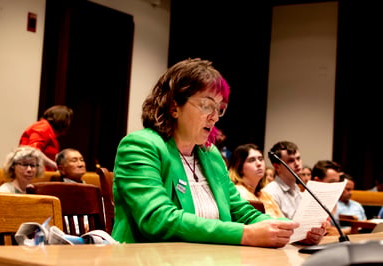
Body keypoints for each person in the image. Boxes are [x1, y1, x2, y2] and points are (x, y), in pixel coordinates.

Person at [111, 58, 311, 248]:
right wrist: (245, 234)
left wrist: (289, 229)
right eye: (207, 105)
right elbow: (158, 219)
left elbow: (240, 211)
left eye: (219, 108)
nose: (215, 117)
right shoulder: (141, 146)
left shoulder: (210, 154)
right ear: (174, 106)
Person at [228, 143, 285, 218]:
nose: (259, 163)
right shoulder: (237, 192)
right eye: (251, 160)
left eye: (261, 159)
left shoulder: (266, 195)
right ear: (239, 167)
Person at [19, 105, 74, 171]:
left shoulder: (48, 129)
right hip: (34, 174)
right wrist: (54, 165)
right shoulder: (43, 127)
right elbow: (32, 151)